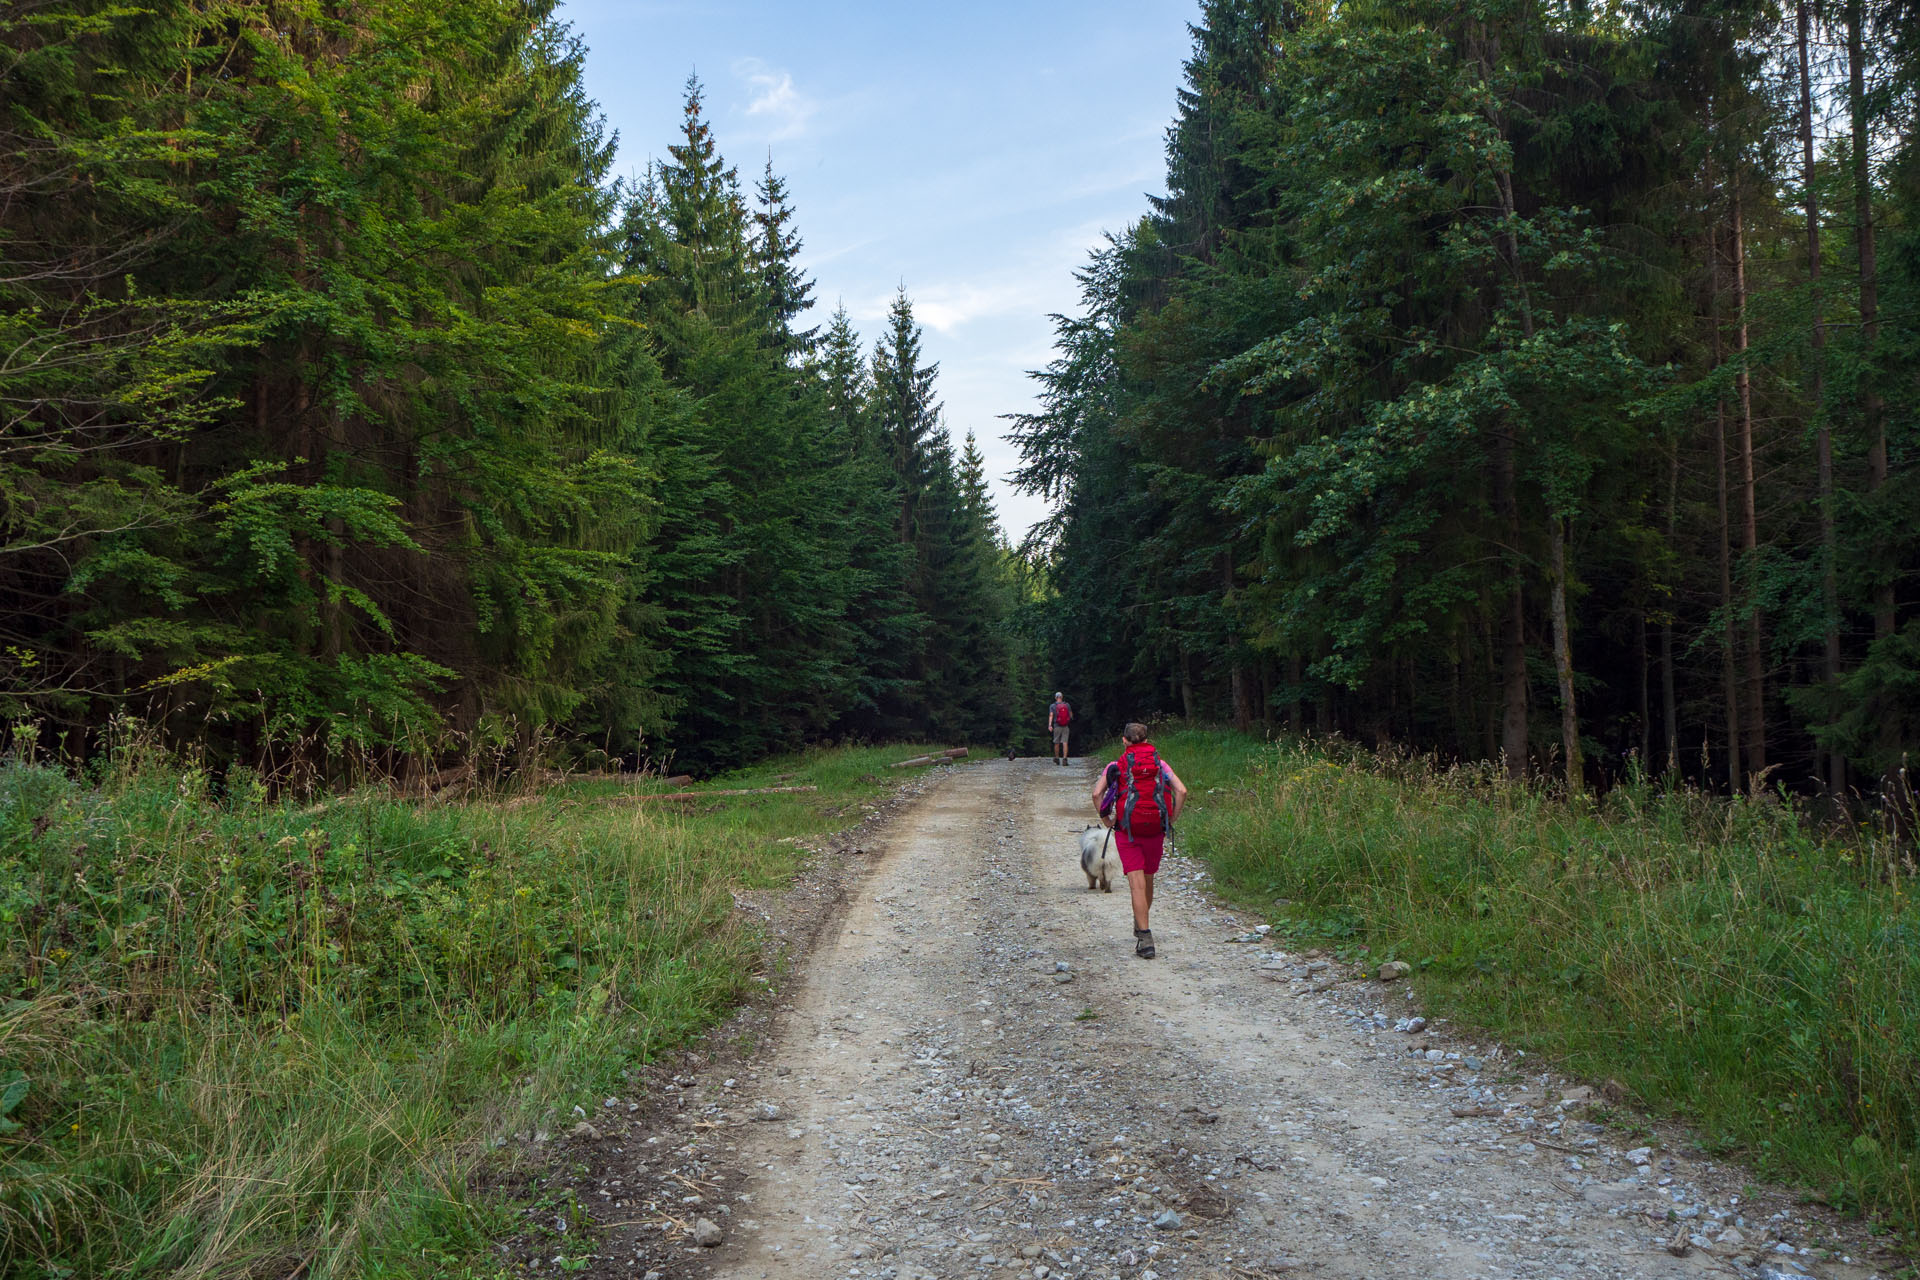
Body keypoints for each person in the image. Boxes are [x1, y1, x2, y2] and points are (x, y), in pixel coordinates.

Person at [1092, 722, 1187, 958]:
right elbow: (1181, 791)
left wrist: (1107, 821)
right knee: (1148, 878)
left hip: (1128, 830)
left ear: (1124, 741)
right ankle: (1141, 923)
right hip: (1155, 829)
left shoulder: (1116, 766)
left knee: (1136, 884)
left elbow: (1096, 794)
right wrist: (1171, 819)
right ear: (1146, 740)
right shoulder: (1160, 764)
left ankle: (1145, 938)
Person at [1046, 691, 1073, 765]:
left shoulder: (1052, 706)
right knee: (1065, 742)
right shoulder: (1067, 705)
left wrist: (1049, 725)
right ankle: (1064, 759)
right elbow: (1070, 715)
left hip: (1057, 726)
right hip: (1065, 726)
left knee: (1056, 743)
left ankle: (1057, 758)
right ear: (1062, 697)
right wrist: (1068, 720)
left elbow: (1051, 715)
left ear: (1055, 697)